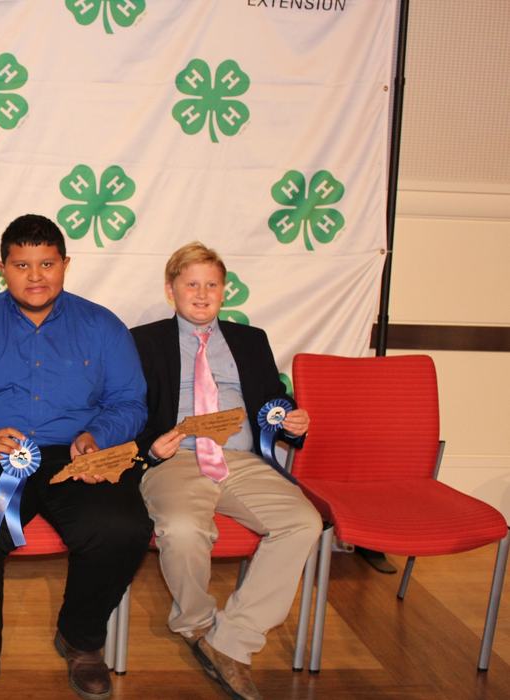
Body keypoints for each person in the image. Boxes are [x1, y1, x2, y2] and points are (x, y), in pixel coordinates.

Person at [0, 214, 152, 700]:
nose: (35, 276)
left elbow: (130, 403)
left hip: (75, 457)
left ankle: (81, 639)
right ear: (2, 267)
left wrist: (98, 434)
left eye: (47, 263)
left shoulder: (103, 326)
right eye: (22, 264)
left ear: (65, 264)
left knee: (122, 527)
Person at [131, 242, 322, 700]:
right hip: (177, 457)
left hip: (242, 458)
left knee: (303, 522)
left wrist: (292, 421)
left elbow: (274, 399)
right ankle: (197, 625)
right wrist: (149, 446)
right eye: (191, 284)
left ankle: (231, 640)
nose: (201, 294)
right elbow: (120, 411)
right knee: (180, 528)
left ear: (224, 290)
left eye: (211, 285)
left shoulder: (250, 339)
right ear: (170, 289)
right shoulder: (141, 340)